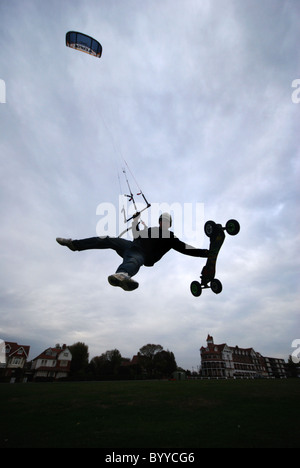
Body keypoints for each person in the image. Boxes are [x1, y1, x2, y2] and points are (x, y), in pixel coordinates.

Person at [56, 212, 210, 291]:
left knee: (133, 261)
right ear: (159, 222)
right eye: (162, 220)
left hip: (141, 254)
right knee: (107, 239)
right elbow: (136, 234)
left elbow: (184, 248)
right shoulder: (152, 230)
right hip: (129, 245)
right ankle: (74, 245)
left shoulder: (170, 237)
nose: (163, 223)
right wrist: (136, 221)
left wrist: (205, 253)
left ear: (169, 224)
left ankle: (123, 276)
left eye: (166, 222)